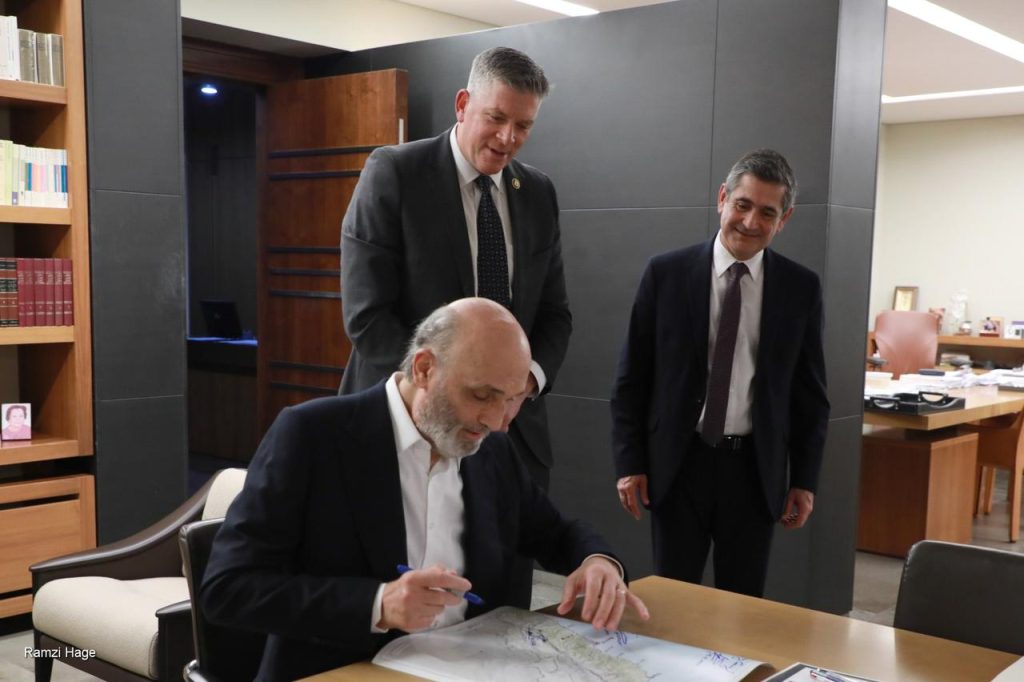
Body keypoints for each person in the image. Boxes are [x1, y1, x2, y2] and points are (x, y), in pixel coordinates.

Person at [202, 298, 647, 681]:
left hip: (473, 668)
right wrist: (377, 604)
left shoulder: (492, 450)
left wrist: (597, 561)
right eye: (482, 396)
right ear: (424, 368)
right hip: (346, 670)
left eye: (513, 399)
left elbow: (556, 532)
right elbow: (228, 588)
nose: (497, 421)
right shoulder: (312, 436)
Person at [339, 46, 571, 491]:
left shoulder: (538, 193)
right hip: (410, 429)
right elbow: (367, 317)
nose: (508, 138)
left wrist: (520, 386)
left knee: (510, 540)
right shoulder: (395, 173)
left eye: (523, 125)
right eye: (496, 118)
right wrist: (456, 396)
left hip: (510, 437)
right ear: (463, 105)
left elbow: (554, 315)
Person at [610, 149, 830, 598]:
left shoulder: (800, 288)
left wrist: (804, 480)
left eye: (767, 212)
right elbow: (632, 378)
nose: (750, 222)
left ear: (784, 219)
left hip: (754, 471)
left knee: (742, 609)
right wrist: (630, 464)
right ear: (722, 198)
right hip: (678, 465)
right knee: (674, 603)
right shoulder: (666, 274)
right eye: (743, 205)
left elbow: (810, 396)